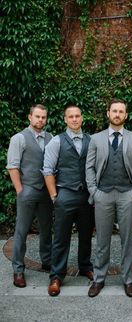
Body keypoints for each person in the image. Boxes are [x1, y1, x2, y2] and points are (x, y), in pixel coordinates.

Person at [86, 98, 132, 298]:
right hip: (103, 194)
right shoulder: (95, 139)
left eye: (121, 111)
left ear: (126, 115)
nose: (117, 114)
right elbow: (89, 167)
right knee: (102, 240)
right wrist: (94, 192)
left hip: (126, 195)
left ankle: (128, 280)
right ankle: (99, 279)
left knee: (127, 239)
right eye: (114, 111)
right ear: (108, 114)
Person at [43, 104, 95, 297]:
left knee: (86, 235)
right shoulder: (56, 141)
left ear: (82, 118)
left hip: (86, 196)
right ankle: (56, 276)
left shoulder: (91, 140)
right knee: (61, 237)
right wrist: (54, 196)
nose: (74, 119)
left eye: (77, 116)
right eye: (70, 116)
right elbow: (47, 169)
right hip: (64, 194)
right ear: (65, 119)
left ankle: (85, 266)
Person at [7, 104, 53, 288]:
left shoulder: (50, 138)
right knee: (22, 230)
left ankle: (47, 260)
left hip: (45, 192)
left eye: (43, 117)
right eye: (37, 116)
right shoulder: (19, 138)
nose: (40, 120)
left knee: (47, 228)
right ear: (29, 117)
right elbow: (12, 166)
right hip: (27, 190)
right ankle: (18, 269)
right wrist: (20, 190)